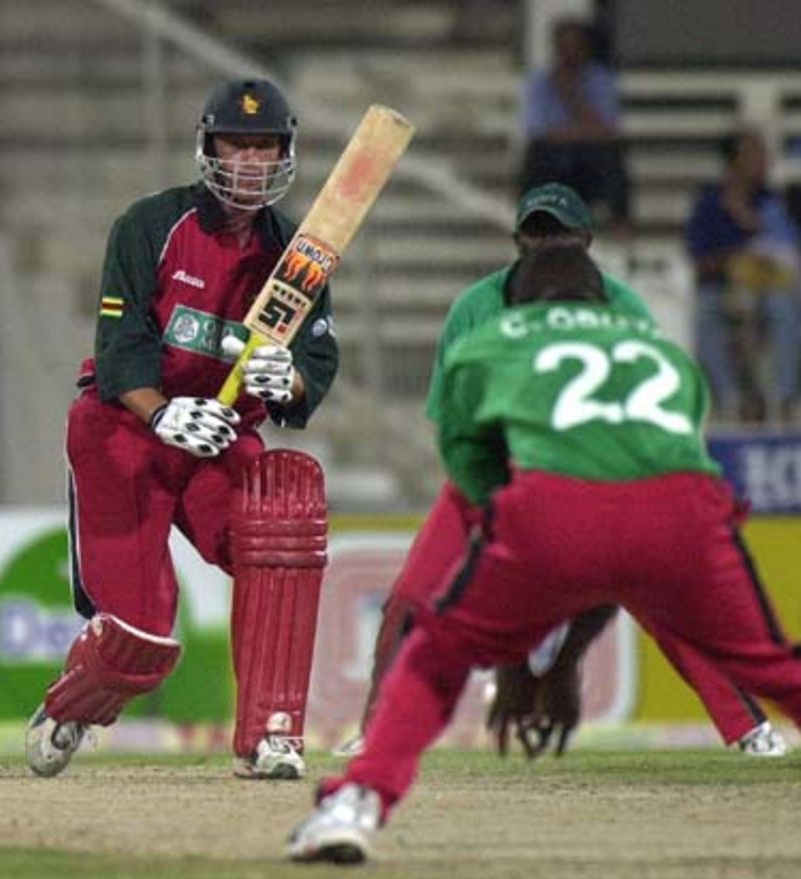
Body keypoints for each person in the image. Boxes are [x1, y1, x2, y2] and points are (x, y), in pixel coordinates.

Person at [287, 245, 801, 864]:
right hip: (686, 512)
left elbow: (485, 489)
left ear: (518, 303)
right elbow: (643, 519)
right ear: (602, 300)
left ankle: (356, 804)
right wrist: (562, 667)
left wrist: (517, 665)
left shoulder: (489, 341)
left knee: (435, 653)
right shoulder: (663, 353)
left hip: (556, 508)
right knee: (772, 665)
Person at [336, 182, 784, 760]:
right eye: (538, 232)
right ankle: (377, 731)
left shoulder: (621, 304)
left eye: (560, 233)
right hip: (500, 474)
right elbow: (458, 420)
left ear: (586, 240)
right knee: (409, 600)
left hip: (602, 476)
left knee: (672, 603)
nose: (548, 243)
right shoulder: (477, 307)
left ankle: (749, 730)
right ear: (519, 238)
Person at [24, 78, 339, 780]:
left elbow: (315, 362)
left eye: (266, 147)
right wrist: (162, 411)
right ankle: (70, 703)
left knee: (279, 526)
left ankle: (270, 732)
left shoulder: (296, 255)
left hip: (222, 436)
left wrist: (280, 377)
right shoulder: (149, 226)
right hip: (125, 434)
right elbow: (119, 351)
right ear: (208, 147)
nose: (251, 161)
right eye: (238, 143)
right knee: (142, 636)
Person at [685, 127, 801, 425]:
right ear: (735, 160)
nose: (765, 161)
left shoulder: (774, 200)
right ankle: (730, 401)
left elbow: (788, 250)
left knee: (784, 312)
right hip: (722, 287)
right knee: (706, 317)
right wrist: (735, 259)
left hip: (767, 286)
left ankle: (784, 399)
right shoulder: (709, 202)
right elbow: (699, 261)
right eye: (756, 154)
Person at [521, 17, 631, 233]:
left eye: (575, 46)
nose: (569, 53)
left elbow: (608, 130)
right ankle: (530, 222)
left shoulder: (601, 80)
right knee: (535, 155)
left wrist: (571, 96)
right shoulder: (539, 82)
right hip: (554, 156)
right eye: (564, 47)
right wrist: (583, 132)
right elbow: (540, 132)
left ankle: (620, 224)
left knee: (613, 156)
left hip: (589, 157)